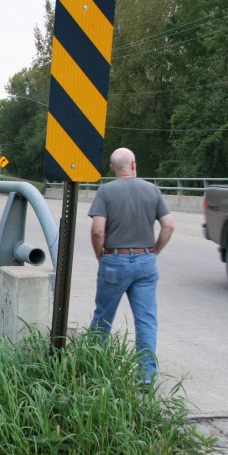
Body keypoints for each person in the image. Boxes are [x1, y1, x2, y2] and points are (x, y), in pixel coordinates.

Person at [87, 147, 175, 385]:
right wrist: (154, 251)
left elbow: (97, 230)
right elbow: (168, 225)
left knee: (103, 317)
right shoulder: (152, 190)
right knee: (146, 320)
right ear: (134, 165)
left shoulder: (105, 191)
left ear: (112, 168)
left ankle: (92, 368)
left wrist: (100, 256)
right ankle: (146, 377)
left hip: (114, 259)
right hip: (146, 261)